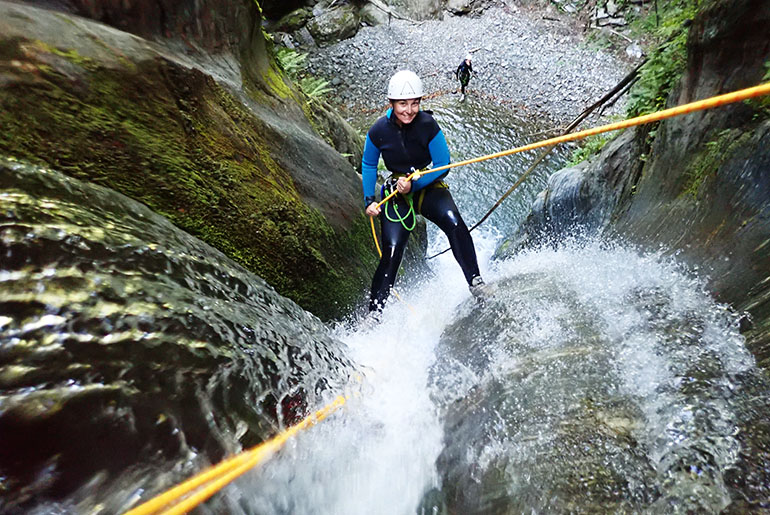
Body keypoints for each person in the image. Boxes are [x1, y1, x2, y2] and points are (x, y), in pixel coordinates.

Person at [361, 70, 486, 313]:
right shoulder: (378, 131)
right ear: (392, 103)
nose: (409, 110)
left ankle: (476, 282)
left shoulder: (428, 125)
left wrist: (415, 184)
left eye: (414, 103)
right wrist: (369, 199)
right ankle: (375, 313)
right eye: (403, 104)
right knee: (392, 250)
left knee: (455, 224)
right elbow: (368, 164)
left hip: (427, 184)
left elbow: (443, 165)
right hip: (395, 193)